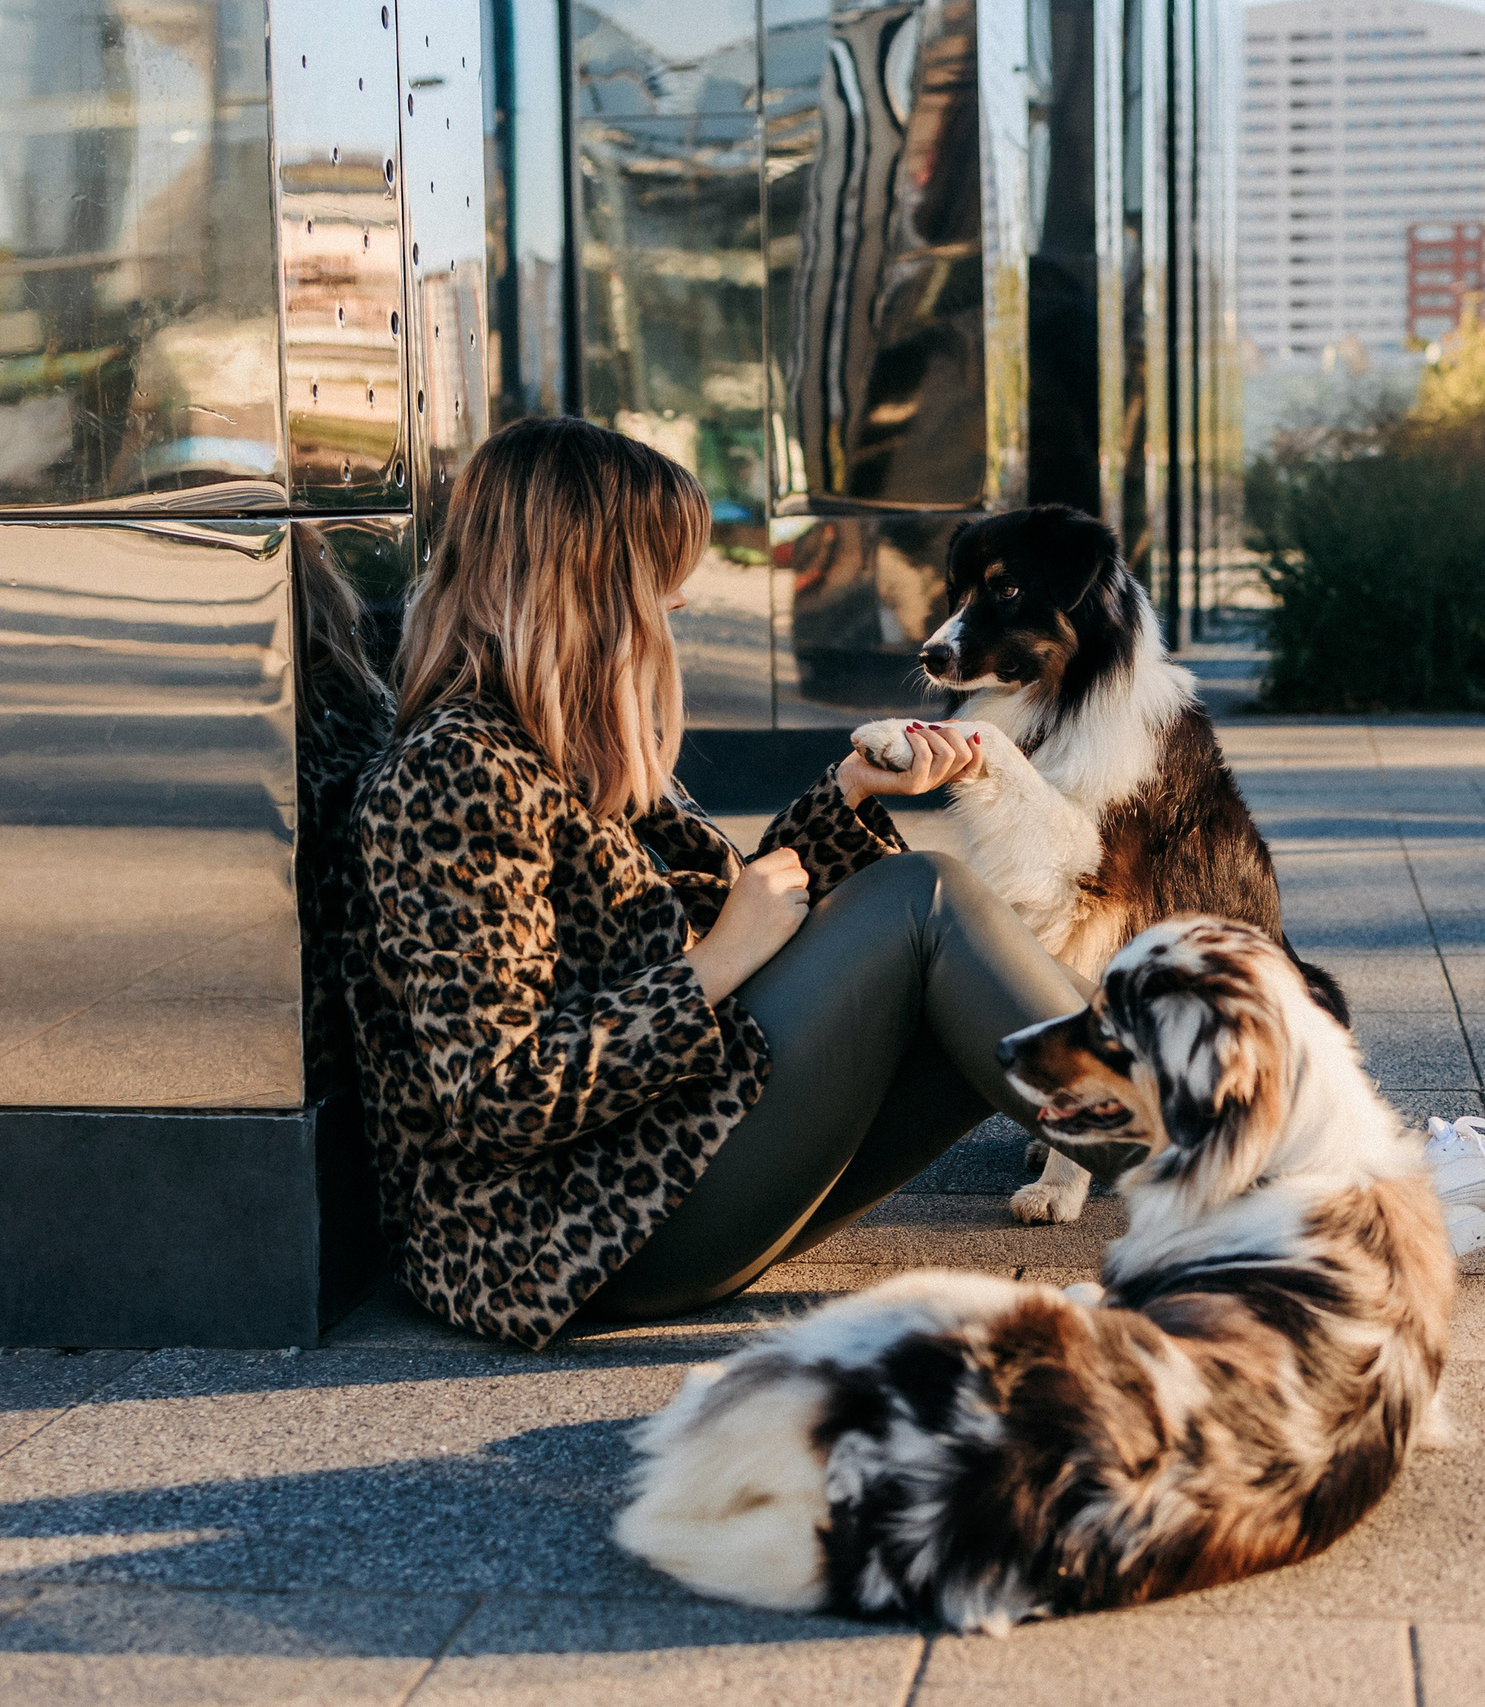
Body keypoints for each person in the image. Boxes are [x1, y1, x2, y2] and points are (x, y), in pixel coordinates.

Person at [345, 417, 1089, 1349]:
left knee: (957, 963)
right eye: (661, 574)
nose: (682, 600)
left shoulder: (573, 740)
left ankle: (1197, 1139)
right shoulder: (453, 772)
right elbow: (501, 1091)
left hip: (672, 1164)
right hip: (572, 1242)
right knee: (925, 900)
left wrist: (851, 792)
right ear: (589, 586)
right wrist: (716, 962)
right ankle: (1202, 1146)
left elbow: (746, 908)